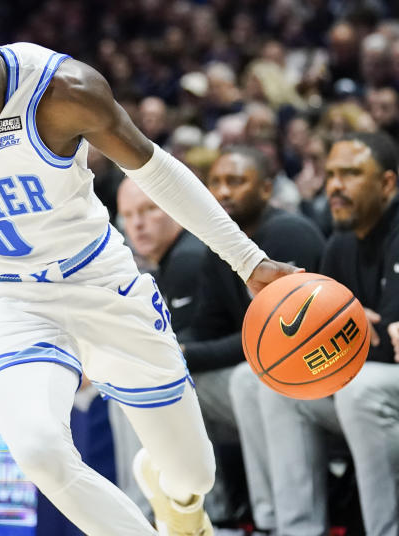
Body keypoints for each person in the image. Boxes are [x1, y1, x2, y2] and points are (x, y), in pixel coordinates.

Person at [0, 0, 297, 536]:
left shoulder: (63, 92)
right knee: (41, 450)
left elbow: (158, 172)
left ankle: (179, 503)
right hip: (6, 298)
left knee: (195, 474)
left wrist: (251, 262)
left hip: (99, 283)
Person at [231, 132, 399, 536]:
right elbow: (356, 334)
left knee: (362, 391)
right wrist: (357, 328)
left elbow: (386, 338)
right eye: (332, 174)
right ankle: (291, 527)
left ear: (388, 184)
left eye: (352, 174)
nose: (336, 185)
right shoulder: (340, 244)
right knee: (268, 382)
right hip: (370, 374)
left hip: (378, 383)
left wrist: (355, 330)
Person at [198, 148, 325, 531]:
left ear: (267, 189)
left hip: (313, 363)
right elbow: (207, 326)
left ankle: (278, 521)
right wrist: (166, 350)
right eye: (216, 182)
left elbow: (283, 339)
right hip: (258, 368)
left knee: (253, 378)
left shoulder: (289, 233)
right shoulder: (217, 246)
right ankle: (204, 516)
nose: (223, 191)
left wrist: (188, 352)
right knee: (157, 379)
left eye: (236, 181)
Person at [108, 177, 208, 518]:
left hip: (223, 371)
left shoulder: (189, 259)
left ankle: (147, 514)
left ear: (175, 211)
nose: (137, 224)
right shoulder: (167, 262)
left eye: (149, 210)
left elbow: (193, 339)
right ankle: (140, 510)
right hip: (205, 368)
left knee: (134, 388)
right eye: (128, 215)